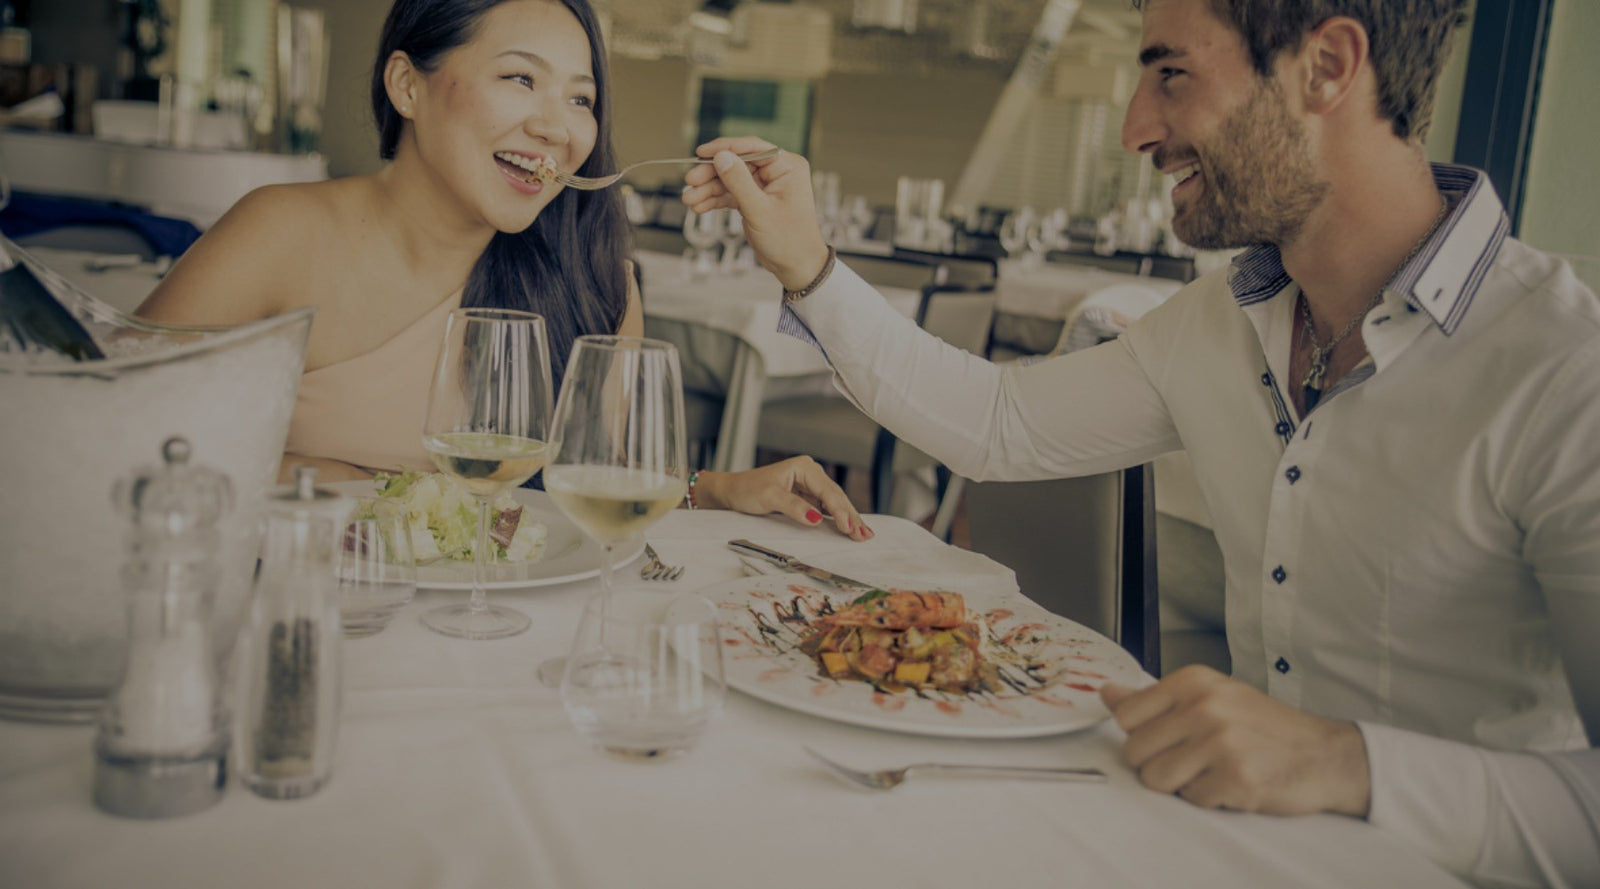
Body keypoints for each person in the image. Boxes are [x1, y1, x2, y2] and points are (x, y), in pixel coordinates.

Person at [682, 0, 1599, 884]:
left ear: (1326, 67)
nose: (1133, 129)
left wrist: (1351, 762)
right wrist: (804, 262)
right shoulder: (1215, 323)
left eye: (1172, 74)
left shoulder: (1564, 373)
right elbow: (998, 423)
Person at [135, 0, 869, 540]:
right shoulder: (279, 232)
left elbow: (593, 490)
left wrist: (718, 489)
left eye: (580, 98)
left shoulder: (594, 280)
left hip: (496, 642)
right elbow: (111, 427)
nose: (559, 126)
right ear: (407, 85)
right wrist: (341, 478)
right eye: (521, 79)